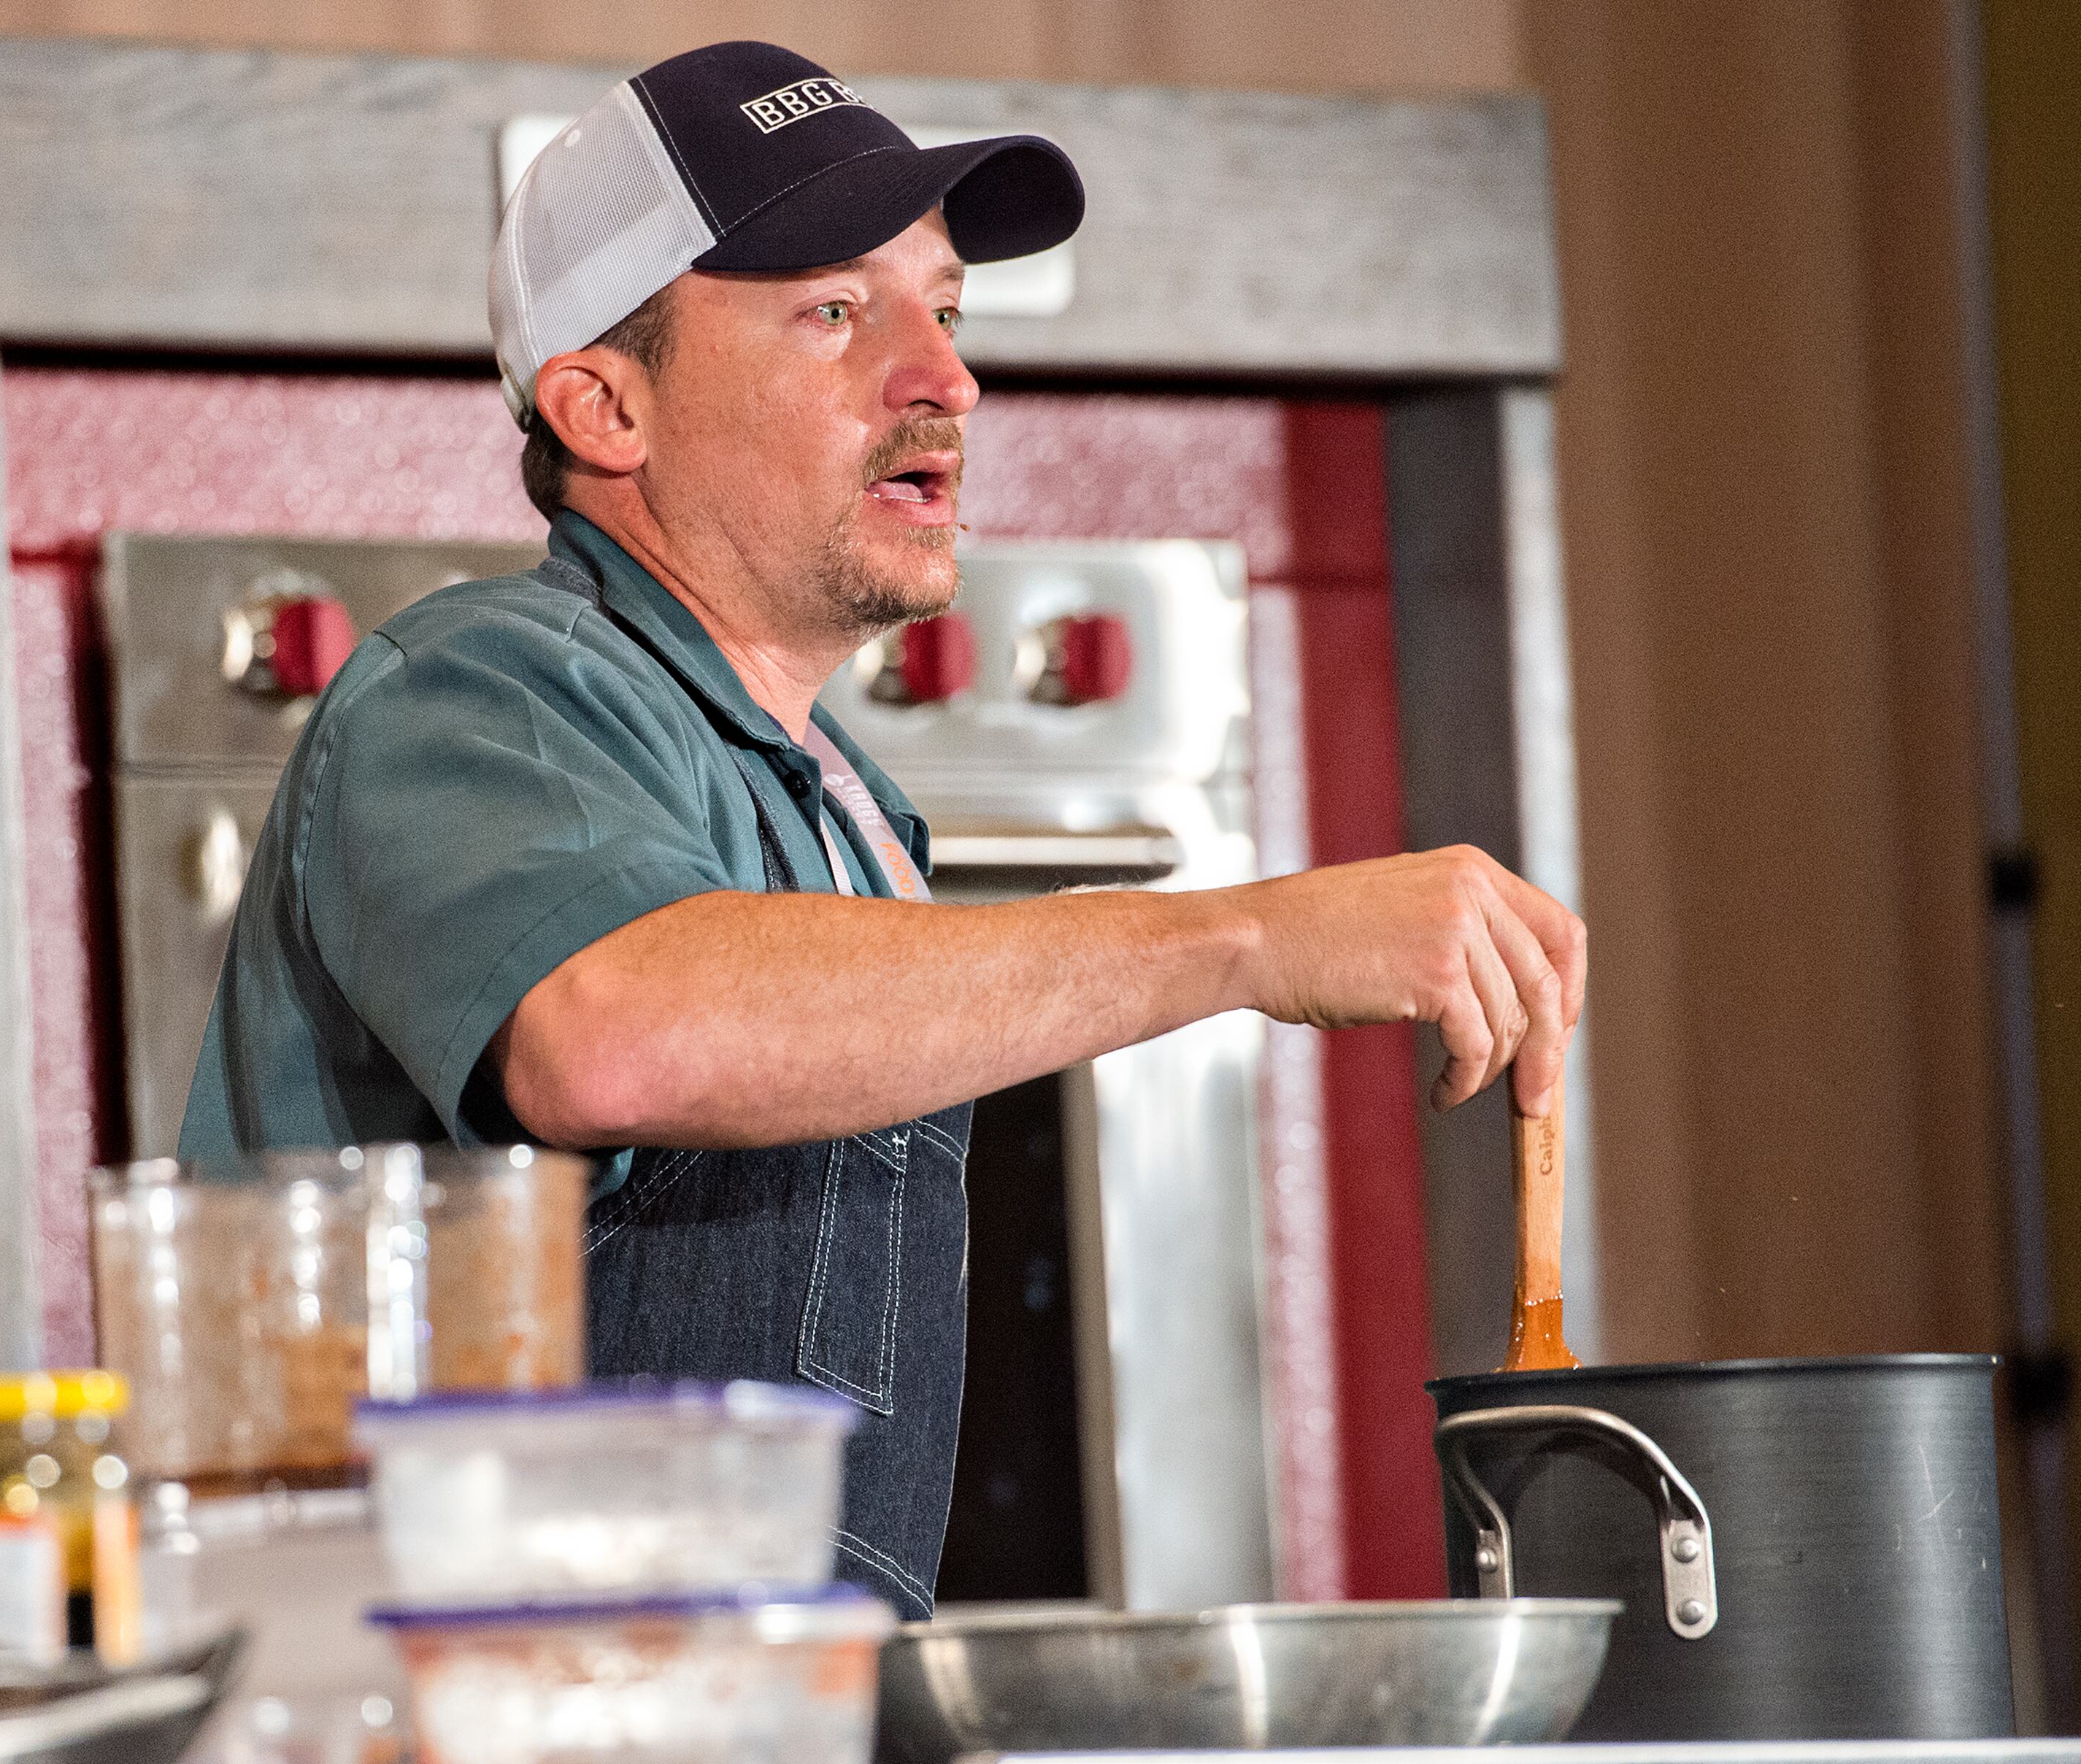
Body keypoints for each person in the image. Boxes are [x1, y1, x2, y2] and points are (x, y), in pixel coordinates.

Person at [182, 40, 1586, 1618]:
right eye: (838, 313)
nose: (947, 380)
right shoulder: (478, 691)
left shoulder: (848, 809)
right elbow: (619, 1035)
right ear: (604, 403)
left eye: (948, 313)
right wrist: (1246, 936)